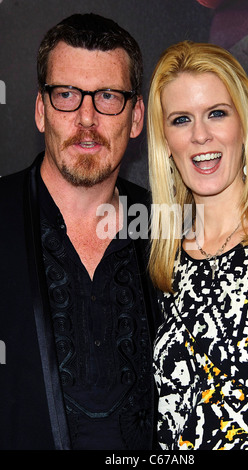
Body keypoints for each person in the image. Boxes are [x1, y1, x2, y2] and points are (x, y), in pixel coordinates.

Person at [0, 13, 162, 450]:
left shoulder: (169, 229)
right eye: (67, 95)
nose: (86, 118)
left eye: (108, 96)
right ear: (40, 110)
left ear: (136, 117)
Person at [147, 40, 248, 450]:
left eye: (217, 113)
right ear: (165, 141)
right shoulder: (167, 263)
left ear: (245, 123)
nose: (200, 135)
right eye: (180, 120)